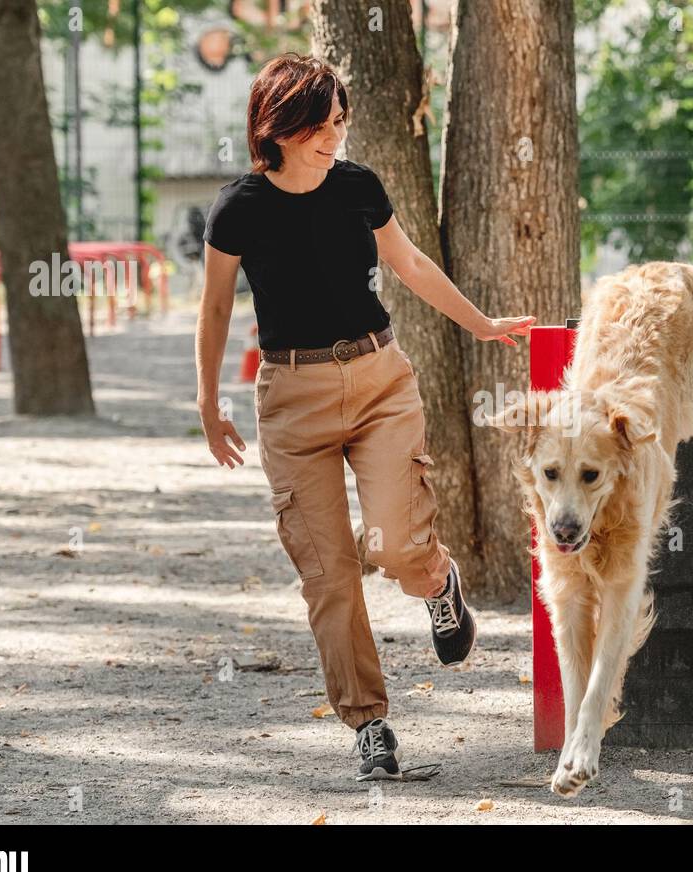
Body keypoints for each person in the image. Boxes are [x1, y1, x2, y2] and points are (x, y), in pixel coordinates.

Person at [194, 54, 534, 781]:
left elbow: (409, 264)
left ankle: (438, 584)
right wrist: (206, 399)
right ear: (275, 126)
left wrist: (480, 324)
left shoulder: (358, 188)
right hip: (291, 398)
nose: (333, 136)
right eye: (319, 124)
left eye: (339, 122)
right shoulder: (237, 209)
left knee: (393, 547)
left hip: (379, 380)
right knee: (329, 576)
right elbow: (217, 306)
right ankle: (370, 726)